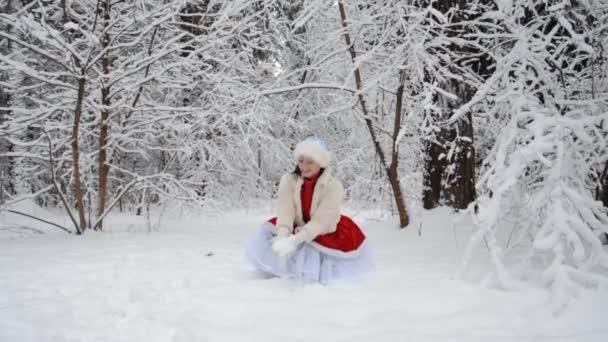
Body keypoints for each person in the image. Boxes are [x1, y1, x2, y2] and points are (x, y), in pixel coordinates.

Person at [245, 137, 373, 284]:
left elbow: (321, 221)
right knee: (269, 231)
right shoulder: (288, 180)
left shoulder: (334, 187)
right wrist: (282, 237)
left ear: (321, 163)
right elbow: (285, 210)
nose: (304, 166)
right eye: (301, 161)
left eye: (310, 162)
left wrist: (295, 240)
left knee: (311, 247)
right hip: (297, 223)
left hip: (323, 229)